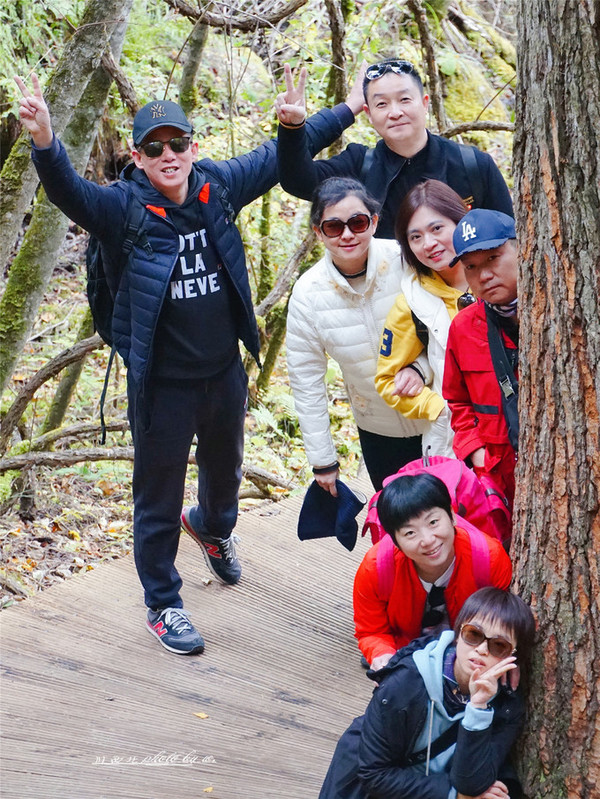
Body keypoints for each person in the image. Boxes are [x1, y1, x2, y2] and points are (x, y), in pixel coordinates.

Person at [15, 71, 358, 655]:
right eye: (154, 148)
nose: (168, 155)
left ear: (193, 147)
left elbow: (273, 158)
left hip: (223, 371)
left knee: (226, 476)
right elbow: (69, 193)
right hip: (162, 385)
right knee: (158, 497)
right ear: (137, 156)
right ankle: (163, 602)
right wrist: (45, 140)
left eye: (177, 143)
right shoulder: (121, 208)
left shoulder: (216, 187)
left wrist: (341, 109)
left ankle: (213, 529)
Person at [285, 176, 430, 495]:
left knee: (460, 514)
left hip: (440, 418)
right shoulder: (308, 294)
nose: (348, 234)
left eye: (358, 222)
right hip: (378, 432)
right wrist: (322, 460)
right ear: (318, 232)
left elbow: (447, 328)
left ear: (374, 222)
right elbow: (306, 379)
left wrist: (421, 369)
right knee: (399, 520)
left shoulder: (407, 259)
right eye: (334, 227)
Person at [320, 587, 535, 799]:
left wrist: (478, 708)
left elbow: (471, 785)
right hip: (368, 786)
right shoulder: (405, 681)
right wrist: (454, 795)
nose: (481, 649)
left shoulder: (507, 706)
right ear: (458, 634)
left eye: (499, 646)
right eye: (473, 634)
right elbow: (375, 774)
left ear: (514, 658)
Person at [276, 59, 513, 239]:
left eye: (405, 100)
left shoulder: (473, 165)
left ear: (425, 103)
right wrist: (292, 128)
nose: (395, 112)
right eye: (381, 104)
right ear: (368, 114)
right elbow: (299, 181)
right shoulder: (359, 166)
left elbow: (508, 237)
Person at [353, 473, 512, 670]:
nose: (428, 540)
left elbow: (505, 624)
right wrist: (382, 655)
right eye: (410, 533)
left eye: (433, 522)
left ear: (452, 516)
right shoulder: (376, 568)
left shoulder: (489, 558)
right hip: (405, 652)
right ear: (395, 541)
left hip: (471, 654)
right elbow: (371, 630)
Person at [375, 179, 471, 458]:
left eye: (437, 228)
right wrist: (439, 409)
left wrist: (421, 367)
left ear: (461, 221)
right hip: (453, 444)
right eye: (415, 237)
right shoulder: (412, 302)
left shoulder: (499, 280)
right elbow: (386, 380)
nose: (429, 244)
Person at [442, 208, 519, 523]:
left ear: (521, 250)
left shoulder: (563, 309)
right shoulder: (463, 328)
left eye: (493, 258)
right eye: (471, 267)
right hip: (499, 476)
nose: (484, 275)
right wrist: (476, 453)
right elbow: (457, 401)